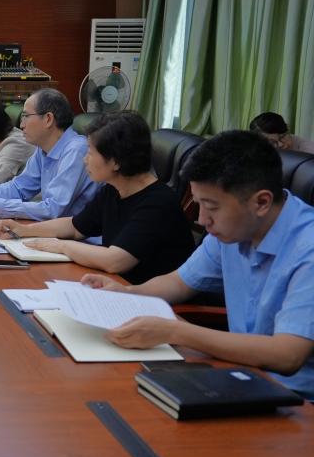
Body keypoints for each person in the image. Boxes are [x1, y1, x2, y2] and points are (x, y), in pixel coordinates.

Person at [84, 131, 314, 399]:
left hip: (296, 403)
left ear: (261, 202)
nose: (202, 220)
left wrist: (175, 331)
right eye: (198, 204)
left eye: (211, 207)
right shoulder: (233, 230)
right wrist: (126, 293)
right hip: (240, 376)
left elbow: (287, 355)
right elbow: (178, 282)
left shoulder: (307, 249)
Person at [0, 112, 195, 284]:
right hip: (114, 286)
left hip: (150, 302)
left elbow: (115, 261)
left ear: (116, 161)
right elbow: (74, 226)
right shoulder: (113, 189)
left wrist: (60, 246)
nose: (84, 159)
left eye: (90, 152)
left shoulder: (157, 203)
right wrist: (24, 230)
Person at [0, 88, 100, 219]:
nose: (21, 124)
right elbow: (18, 188)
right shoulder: (42, 149)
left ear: (48, 119)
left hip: (79, 237)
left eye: (26, 116)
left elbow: (53, 209)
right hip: (51, 231)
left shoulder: (76, 150)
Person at [249, 112, 314, 153]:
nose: (281, 144)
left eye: (282, 137)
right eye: (272, 142)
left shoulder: (309, 151)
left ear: (288, 129)